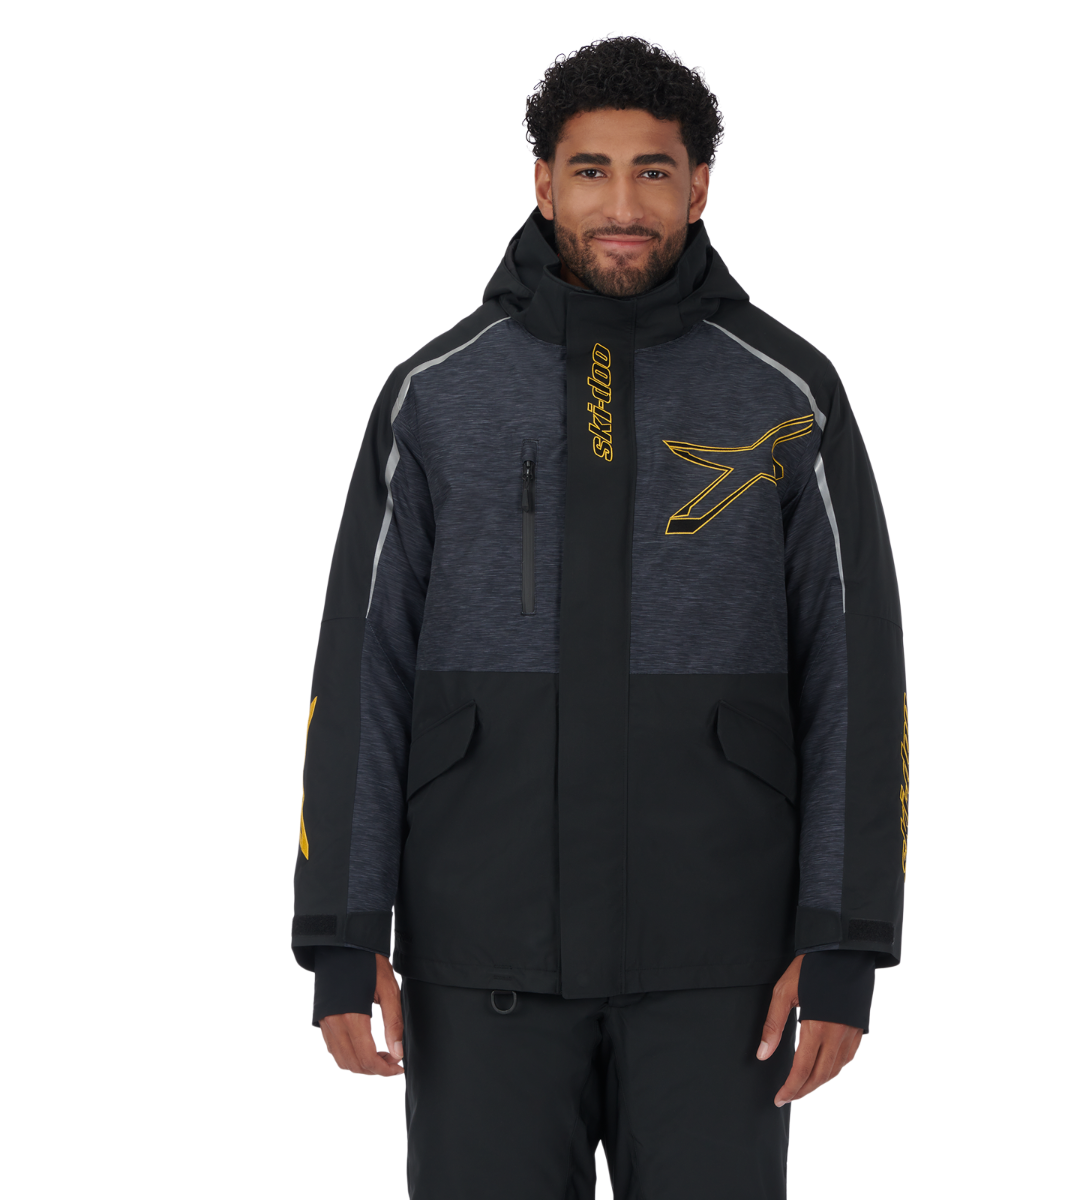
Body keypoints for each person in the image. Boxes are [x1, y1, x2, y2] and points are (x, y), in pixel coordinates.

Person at [292, 32, 908, 1200]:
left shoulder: (788, 392)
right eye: (591, 170)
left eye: (653, 171)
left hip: (720, 960)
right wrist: (342, 931)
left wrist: (842, 943)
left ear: (700, 187)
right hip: (480, 953)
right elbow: (362, 666)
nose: (622, 205)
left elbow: (855, 675)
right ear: (543, 183)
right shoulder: (434, 394)